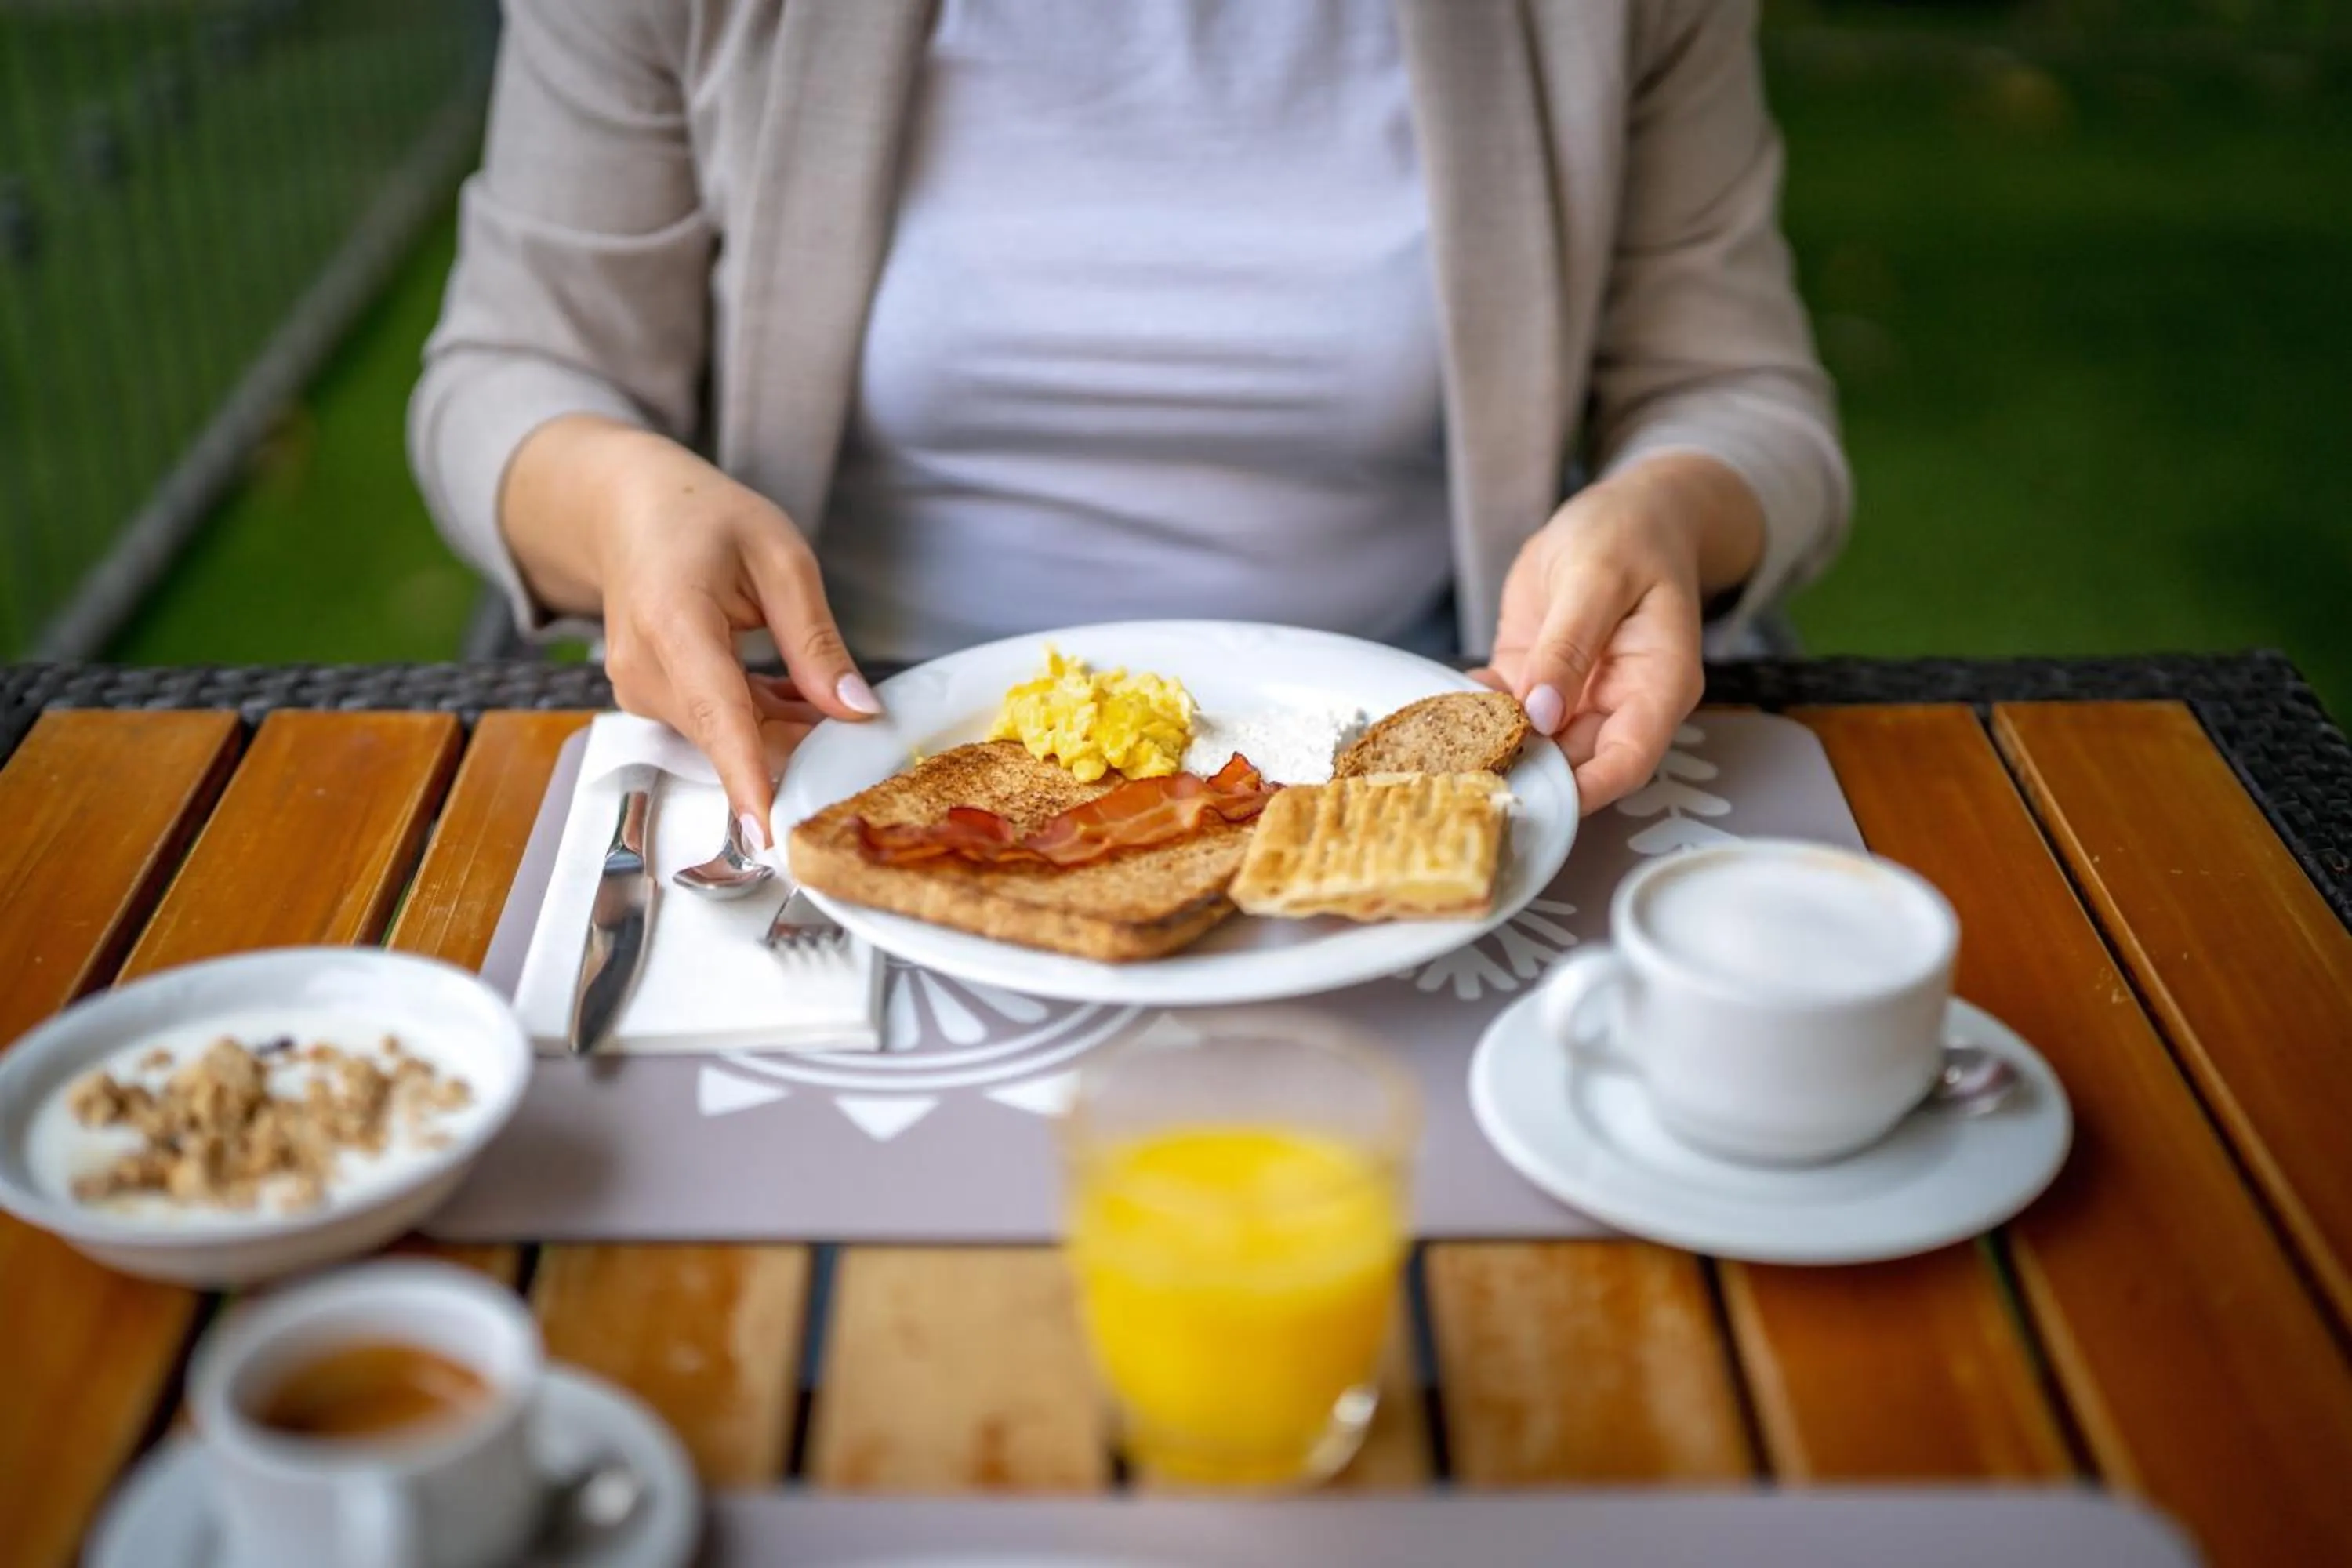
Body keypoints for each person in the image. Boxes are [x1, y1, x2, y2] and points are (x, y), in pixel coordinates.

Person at [410, 0, 1848, 847]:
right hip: (837, 752)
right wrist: (621, 503)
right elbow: (512, 371)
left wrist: (1666, 504)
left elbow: (1741, 395)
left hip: (1392, 740)